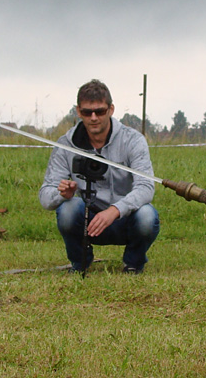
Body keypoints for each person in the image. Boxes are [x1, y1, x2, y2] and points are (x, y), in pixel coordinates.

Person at [39, 79, 160, 274]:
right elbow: (45, 196)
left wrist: (114, 210)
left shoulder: (133, 140)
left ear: (111, 109)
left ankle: (133, 264)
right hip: (88, 219)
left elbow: (146, 187)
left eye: (100, 111)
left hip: (124, 217)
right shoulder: (65, 145)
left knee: (147, 216)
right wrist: (63, 194)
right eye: (87, 112)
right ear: (78, 112)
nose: (94, 117)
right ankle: (80, 263)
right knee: (68, 210)